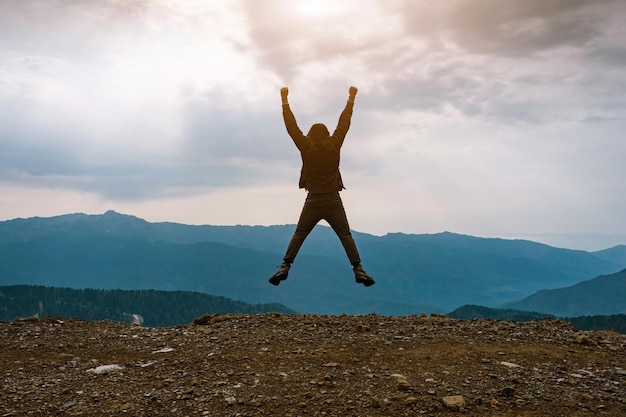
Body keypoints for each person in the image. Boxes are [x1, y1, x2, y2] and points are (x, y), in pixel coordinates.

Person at [268, 86, 375, 287]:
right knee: (345, 234)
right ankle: (358, 269)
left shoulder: (306, 146)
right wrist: (351, 99)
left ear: (310, 134)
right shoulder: (334, 145)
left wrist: (284, 101)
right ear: (326, 134)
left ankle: (285, 266)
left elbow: (291, 127)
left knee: (300, 233)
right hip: (333, 199)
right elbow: (344, 123)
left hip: (314, 199)